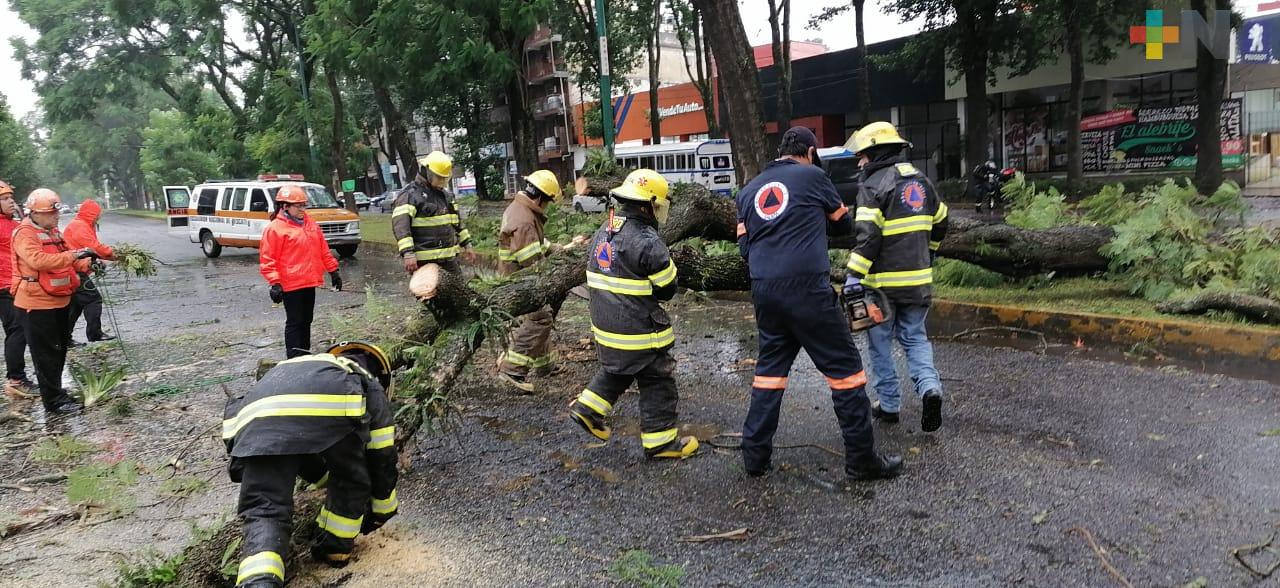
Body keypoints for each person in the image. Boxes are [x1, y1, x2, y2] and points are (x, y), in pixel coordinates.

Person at [735, 126, 902, 481]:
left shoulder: (748, 190)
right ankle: (861, 460)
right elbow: (843, 225)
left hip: (765, 290)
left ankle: (754, 458)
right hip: (808, 289)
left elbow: (744, 249)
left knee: (769, 375)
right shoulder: (813, 177)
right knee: (845, 372)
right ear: (811, 153)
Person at [223, 341, 399, 588]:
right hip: (336, 406)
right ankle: (333, 548)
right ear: (381, 374)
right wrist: (381, 510)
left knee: (265, 509)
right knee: (351, 480)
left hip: (254, 422)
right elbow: (382, 457)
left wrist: (321, 478)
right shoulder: (362, 377)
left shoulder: (289, 369)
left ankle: (258, 582)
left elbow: (298, 441)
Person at [566, 169, 698, 460]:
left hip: (606, 328)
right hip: (639, 332)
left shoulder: (606, 229)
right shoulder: (649, 242)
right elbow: (667, 289)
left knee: (618, 370)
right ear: (649, 204)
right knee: (658, 380)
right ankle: (661, 443)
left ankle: (587, 408)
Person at [843, 121, 948, 432]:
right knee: (915, 338)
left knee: (879, 343)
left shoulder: (872, 186)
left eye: (862, 156)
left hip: (882, 287)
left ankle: (888, 404)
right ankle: (930, 388)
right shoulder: (921, 181)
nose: (859, 162)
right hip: (918, 281)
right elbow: (941, 220)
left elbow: (868, 240)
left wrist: (853, 276)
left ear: (875, 153)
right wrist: (929, 251)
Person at [10, 189, 98, 414]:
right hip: (36, 304)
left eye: (55, 212)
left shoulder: (53, 231)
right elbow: (38, 261)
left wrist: (88, 263)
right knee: (46, 354)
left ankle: (56, 392)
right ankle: (53, 402)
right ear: (35, 213)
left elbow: (69, 257)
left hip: (58, 301)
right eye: (51, 213)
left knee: (58, 350)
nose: (56, 216)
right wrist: (74, 256)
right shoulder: (24, 233)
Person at [495, 169, 561, 393]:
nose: (548, 206)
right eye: (548, 202)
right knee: (540, 318)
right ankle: (512, 369)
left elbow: (535, 244)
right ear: (541, 198)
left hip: (515, 275)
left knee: (543, 314)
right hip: (519, 279)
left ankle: (544, 365)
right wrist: (551, 277)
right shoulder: (523, 219)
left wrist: (558, 250)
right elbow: (531, 261)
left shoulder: (521, 210)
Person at [259, 184, 342, 359]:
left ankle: (305, 355)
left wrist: (333, 270)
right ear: (285, 206)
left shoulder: (310, 224)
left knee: (306, 321)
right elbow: (268, 258)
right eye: (298, 206)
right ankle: (294, 359)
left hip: (309, 281)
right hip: (290, 285)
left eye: (304, 205)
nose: (302, 209)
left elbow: (323, 249)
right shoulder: (275, 228)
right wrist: (275, 283)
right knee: (295, 322)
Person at [391, 151, 474, 275]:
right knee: (428, 293)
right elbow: (401, 227)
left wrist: (467, 245)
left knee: (458, 291)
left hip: (449, 261)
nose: (442, 181)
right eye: (439, 177)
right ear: (427, 171)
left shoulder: (447, 196)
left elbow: (458, 224)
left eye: (444, 178)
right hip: (424, 263)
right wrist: (408, 253)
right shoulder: (410, 195)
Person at [0, 181, 37, 396]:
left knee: (17, 329)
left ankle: (17, 378)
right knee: (17, 330)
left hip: (11, 283)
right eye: (5, 199)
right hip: (4, 285)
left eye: (11, 197)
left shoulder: (12, 223)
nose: (11, 201)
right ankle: (16, 380)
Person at [63, 199, 116, 345]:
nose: (99, 217)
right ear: (92, 214)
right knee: (93, 299)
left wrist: (97, 261)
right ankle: (95, 333)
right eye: (98, 214)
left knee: (77, 304)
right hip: (74, 270)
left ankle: (64, 338)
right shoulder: (80, 226)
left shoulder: (83, 224)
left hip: (73, 269)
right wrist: (115, 255)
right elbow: (95, 247)